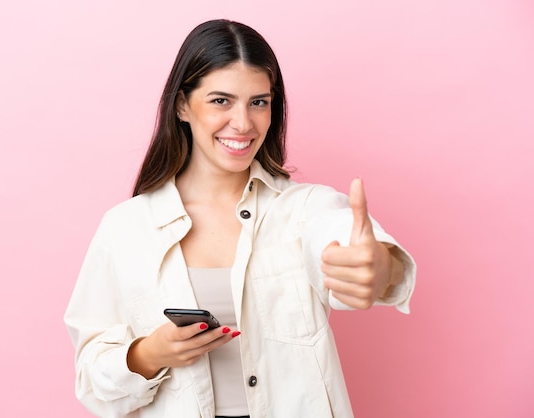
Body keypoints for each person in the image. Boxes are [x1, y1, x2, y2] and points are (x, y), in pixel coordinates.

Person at [64, 19, 416, 418]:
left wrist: (378, 266)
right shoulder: (125, 228)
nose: (244, 123)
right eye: (220, 101)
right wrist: (148, 354)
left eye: (258, 102)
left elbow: (345, 244)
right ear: (182, 105)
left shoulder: (305, 209)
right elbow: (92, 379)